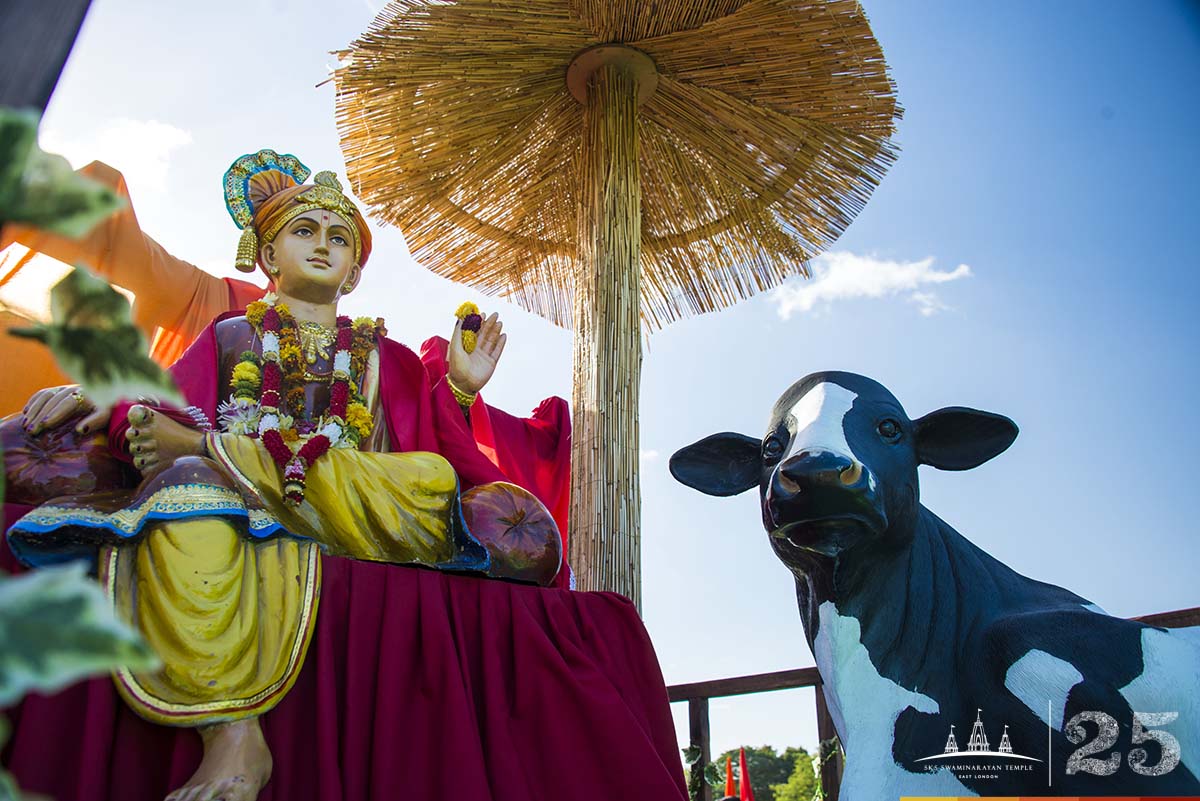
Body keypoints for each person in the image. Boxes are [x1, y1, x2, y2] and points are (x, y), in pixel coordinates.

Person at [8, 149, 563, 801]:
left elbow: (438, 457)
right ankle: (234, 735)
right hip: (252, 502)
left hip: (363, 506)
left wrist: (461, 393)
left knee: (429, 479)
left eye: (338, 238)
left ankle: (222, 454)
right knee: (184, 486)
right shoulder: (230, 334)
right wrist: (100, 397)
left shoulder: (387, 355)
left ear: (355, 271)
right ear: (267, 255)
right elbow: (158, 402)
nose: (323, 245)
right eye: (304, 231)